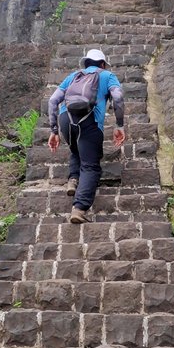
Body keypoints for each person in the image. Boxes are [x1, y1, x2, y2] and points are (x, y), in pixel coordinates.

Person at [47, 48, 125, 223]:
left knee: (76, 148)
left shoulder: (73, 76)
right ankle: (79, 209)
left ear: (86, 63)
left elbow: (52, 101)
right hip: (90, 122)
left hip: (65, 119)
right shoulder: (107, 75)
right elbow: (118, 98)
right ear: (103, 64)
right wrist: (119, 125)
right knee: (91, 166)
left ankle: (73, 179)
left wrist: (54, 131)